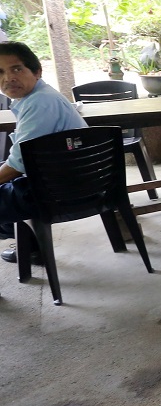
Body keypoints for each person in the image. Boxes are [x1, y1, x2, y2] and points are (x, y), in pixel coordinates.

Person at [0, 42, 88, 262]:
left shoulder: (40, 103)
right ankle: (30, 246)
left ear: (37, 71)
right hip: (68, 182)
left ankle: (29, 245)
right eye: (0, 72)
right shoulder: (36, 97)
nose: (8, 78)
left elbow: (18, 165)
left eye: (17, 69)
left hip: (60, 191)